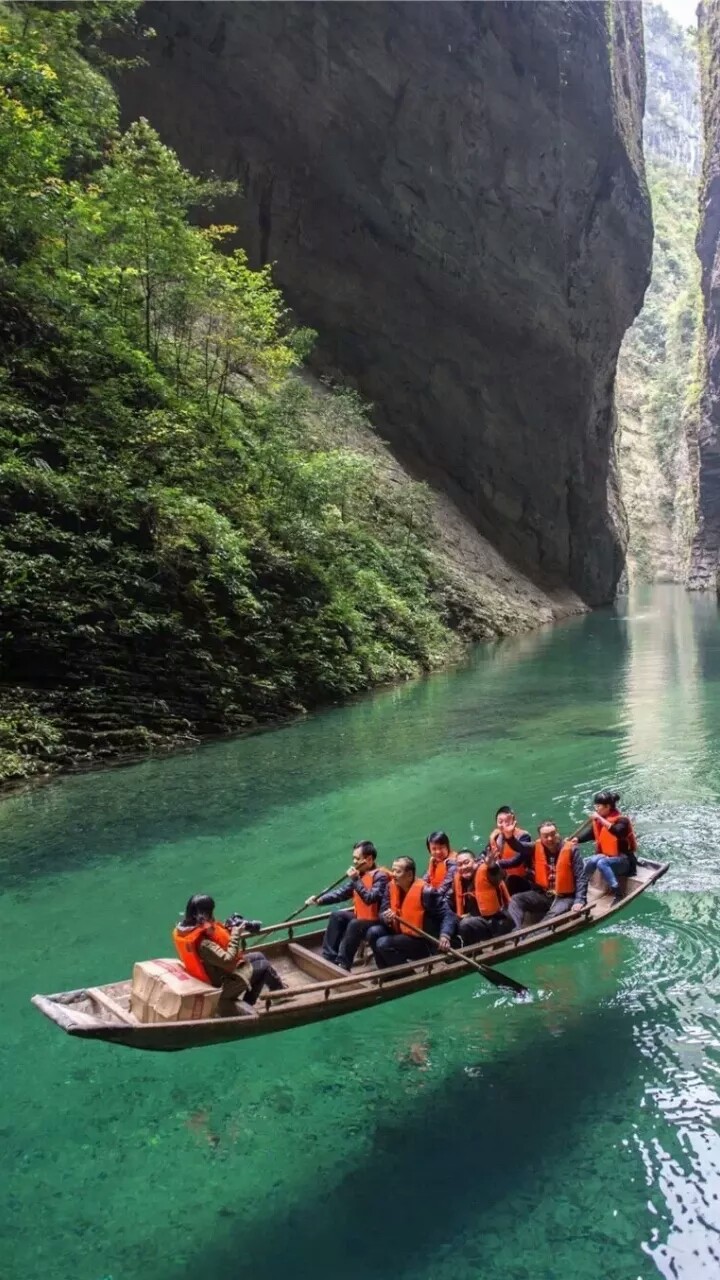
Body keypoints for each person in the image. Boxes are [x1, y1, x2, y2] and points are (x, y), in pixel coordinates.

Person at [172, 894, 285, 1016]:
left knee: (259, 956)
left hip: (216, 972)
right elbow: (228, 960)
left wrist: (227, 930)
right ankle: (263, 999)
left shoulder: (188, 930)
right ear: (203, 915)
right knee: (264, 966)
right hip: (221, 986)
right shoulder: (203, 944)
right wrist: (236, 934)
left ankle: (275, 992)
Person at [305, 841, 390, 971]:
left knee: (355, 924)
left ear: (369, 859)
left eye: (357, 859)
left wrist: (356, 880)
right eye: (353, 858)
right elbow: (341, 893)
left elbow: (370, 899)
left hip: (378, 921)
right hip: (362, 919)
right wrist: (319, 900)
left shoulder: (381, 877)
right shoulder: (361, 875)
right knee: (337, 915)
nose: (354, 862)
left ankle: (344, 964)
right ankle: (329, 957)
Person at [367, 856, 457, 970]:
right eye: (393, 870)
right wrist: (386, 918)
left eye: (398, 871)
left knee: (383, 943)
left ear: (409, 875)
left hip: (422, 941)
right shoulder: (390, 887)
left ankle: (406, 974)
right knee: (373, 932)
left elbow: (448, 914)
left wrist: (445, 935)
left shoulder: (426, 892)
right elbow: (381, 912)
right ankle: (385, 972)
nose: (393, 874)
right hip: (401, 932)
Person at [506, 821, 584, 930]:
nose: (550, 838)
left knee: (552, 916)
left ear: (557, 833)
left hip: (565, 897)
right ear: (540, 837)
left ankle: (531, 937)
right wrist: (510, 837)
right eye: (546, 836)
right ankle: (515, 930)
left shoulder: (571, 849)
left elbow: (581, 877)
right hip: (544, 895)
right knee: (515, 899)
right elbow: (519, 847)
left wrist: (579, 900)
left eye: (553, 834)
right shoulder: (535, 846)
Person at [575, 790, 638, 905]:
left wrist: (599, 819)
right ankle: (582, 885)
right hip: (609, 856)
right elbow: (591, 834)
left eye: (598, 806)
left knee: (602, 863)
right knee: (593, 860)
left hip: (625, 861)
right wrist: (577, 839)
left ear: (607, 807)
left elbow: (617, 831)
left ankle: (617, 892)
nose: (596, 809)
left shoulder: (622, 821)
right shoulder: (601, 821)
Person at [452, 848, 513, 944]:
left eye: (466, 862)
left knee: (466, 923)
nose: (463, 867)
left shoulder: (486, 872)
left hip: (497, 921)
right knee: (449, 920)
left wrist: (492, 866)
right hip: (477, 921)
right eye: (459, 865)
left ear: (475, 861)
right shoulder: (458, 880)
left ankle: (475, 951)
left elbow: (498, 877)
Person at [488, 806, 533, 895]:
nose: (503, 824)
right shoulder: (496, 836)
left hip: (523, 879)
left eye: (507, 821)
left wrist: (496, 864)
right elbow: (487, 853)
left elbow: (517, 861)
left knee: (511, 880)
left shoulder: (524, 836)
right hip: (504, 876)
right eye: (500, 822)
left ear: (514, 821)